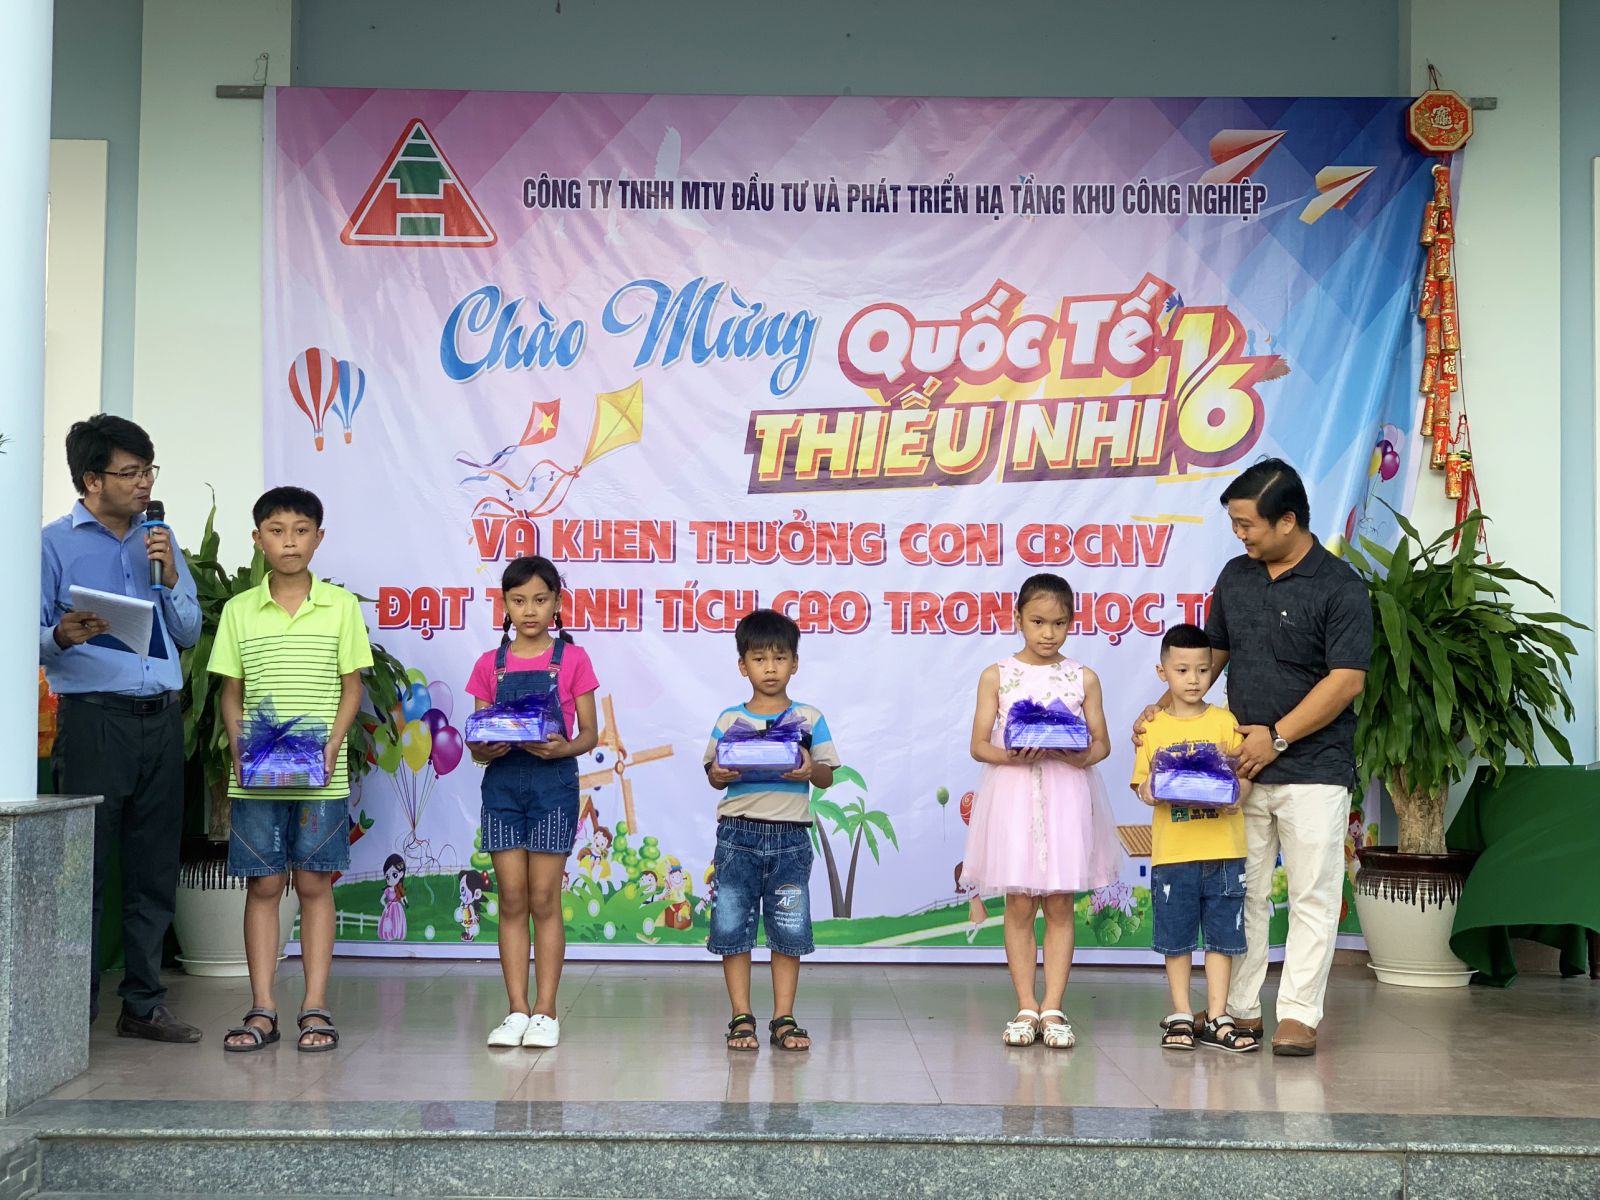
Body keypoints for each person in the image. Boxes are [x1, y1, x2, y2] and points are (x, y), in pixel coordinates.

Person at [1134, 459, 1370, 1057]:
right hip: (1237, 771)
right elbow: (1209, 656)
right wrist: (1161, 712)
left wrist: (1279, 737)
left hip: (1314, 771)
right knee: (1243, 893)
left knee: (1313, 894)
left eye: (1247, 525)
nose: (1239, 535)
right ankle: (1239, 1010)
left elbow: (1346, 681)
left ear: (1287, 521)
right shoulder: (1236, 576)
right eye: (1235, 524)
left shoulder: (1340, 585)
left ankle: (1298, 1014)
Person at [40, 415, 202, 1042]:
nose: (144, 484)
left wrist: (169, 581)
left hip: (160, 720)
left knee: (152, 868)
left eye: (148, 471)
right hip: (95, 721)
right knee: (84, 870)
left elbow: (187, 631)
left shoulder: (160, 538)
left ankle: (143, 1004)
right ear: (91, 480)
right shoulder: (52, 544)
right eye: (130, 473)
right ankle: (70, 1013)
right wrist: (60, 634)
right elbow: (24, 634)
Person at [210, 487, 371, 1053]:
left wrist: (332, 746)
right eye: (277, 531)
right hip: (257, 777)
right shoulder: (238, 611)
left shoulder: (341, 607)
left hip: (321, 776)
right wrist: (238, 746)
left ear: (318, 538)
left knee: (313, 883)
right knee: (264, 884)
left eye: (301, 530)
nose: (289, 542)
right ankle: (262, 1009)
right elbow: (231, 692)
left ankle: (314, 1007)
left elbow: (352, 689)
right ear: (258, 540)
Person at [959, 573, 1119, 1049]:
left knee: (1060, 903)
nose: (1048, 633)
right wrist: (1013, 755)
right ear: (1018, 619)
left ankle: (1053, 1007)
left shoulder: (1083, 677)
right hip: (1013, 794)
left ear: (1071, 622)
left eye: (1059, 623)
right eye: (1037, 622)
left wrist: (1077, 756)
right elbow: (979, 745)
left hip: (1066, 793)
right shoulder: (997, 675)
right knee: (1020, 903)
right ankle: (1026, 1005)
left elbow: (1101, 744)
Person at [466, 556, 599, 1049]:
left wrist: (562, 748)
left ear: (557, 603)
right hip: (502, 787)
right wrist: (485, 748)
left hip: (553, 786)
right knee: (512, 898)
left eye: (540, 600)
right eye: (518, 600)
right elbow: (478, 738)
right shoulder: (489, 664)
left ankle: (546, 1010)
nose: (529, 610)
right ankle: (516, 1009)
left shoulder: (573, 659)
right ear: (504, 604)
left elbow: (590, 734)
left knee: (544, 898)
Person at [704, 609, 840, 1053]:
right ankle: (740, 1016)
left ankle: (784, 1017)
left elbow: (826, 777)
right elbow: (713, 774)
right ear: (742, 665)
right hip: (737, 836)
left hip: (790, 839)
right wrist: (720, 773)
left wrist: (809, 768)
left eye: (780, 658)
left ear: (794, 663)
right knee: (733, 928)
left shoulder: (809, 718)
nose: (770, 668)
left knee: (788, 928)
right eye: (759, 659)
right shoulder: (729, 720)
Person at [1129, 624, 1259, 1054]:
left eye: (1203, 670)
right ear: (1162, 672)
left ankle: (1218, 1015)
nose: (1193, 679)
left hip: (1225, 851)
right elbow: (1142, 785)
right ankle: (1182, 1013)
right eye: (1182, 670)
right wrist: (1153, 790)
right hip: (1174, 854)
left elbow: (1242, 778)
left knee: (1223, 937)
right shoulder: (1152, 728)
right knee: (1177, 937)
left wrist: (1237, 796)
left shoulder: (1225, 722)